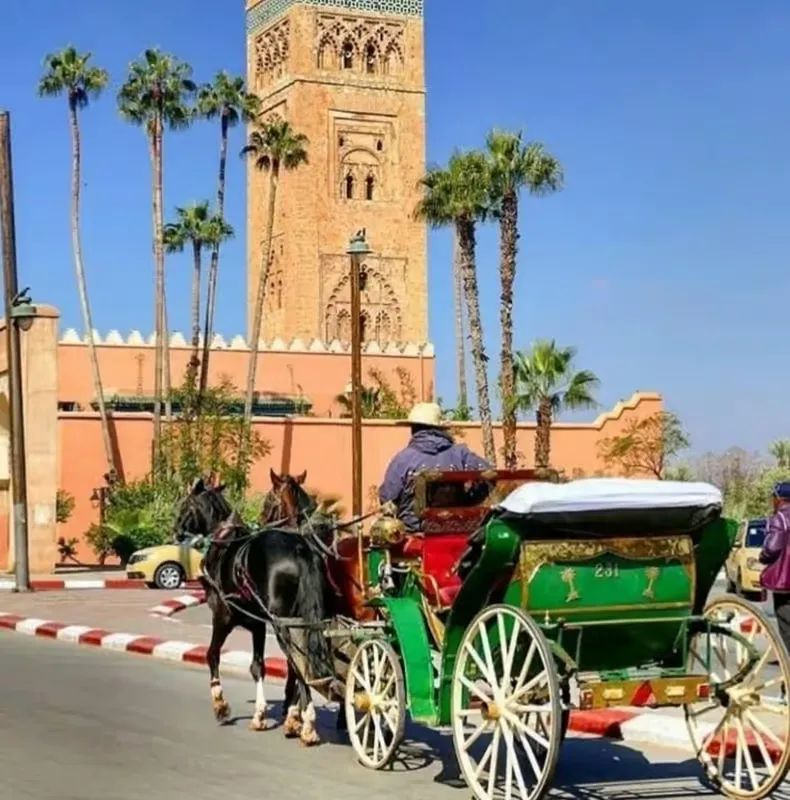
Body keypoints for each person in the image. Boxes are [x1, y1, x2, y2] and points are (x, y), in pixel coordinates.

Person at [379, 401, 491, 531]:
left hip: (414, 537)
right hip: (455, 532)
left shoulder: (402, 460)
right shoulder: (461, 454)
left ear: (414, 429)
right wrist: (468, 502)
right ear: (440, 429)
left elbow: (387, 498)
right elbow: (489, 476)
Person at [759, 481, 790, 661]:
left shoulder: (781, 518)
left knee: (787, 630)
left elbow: (772, 548)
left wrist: (763, 557)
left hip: (785, 585)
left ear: (779, 499)